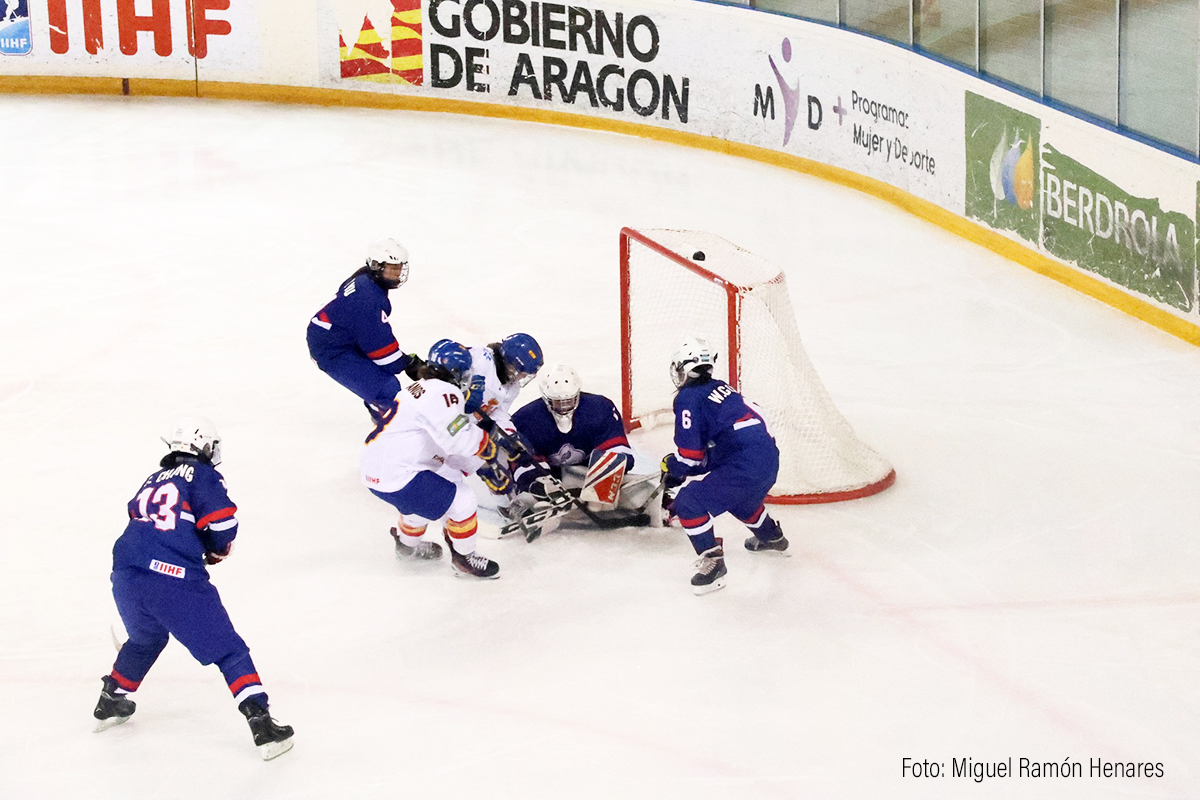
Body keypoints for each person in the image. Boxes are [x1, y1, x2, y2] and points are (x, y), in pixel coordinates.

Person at [93, 417, 294, 761]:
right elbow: (222, 522)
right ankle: (262, 725)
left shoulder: (152, 478)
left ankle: (112, 698)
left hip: (125, 572)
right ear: (204, 446)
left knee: (145, 638)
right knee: (229, 650)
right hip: (171, 577)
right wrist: (216, 548)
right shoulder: (202, 474)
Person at [360, 339, 509, 579]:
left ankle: (407, 547)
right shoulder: (444, 392)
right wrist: (486, 446)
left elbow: (444, 438)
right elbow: (456, 438)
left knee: (422, 504)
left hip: (378, 468)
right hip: (399, 472)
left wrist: (474, 455)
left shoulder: (422, 388)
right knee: (462, 501)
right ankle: (464, 559)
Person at [660, 337, 789, 595]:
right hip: (767, 458)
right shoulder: (721, 388)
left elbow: (690, 456)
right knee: (739, 498)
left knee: (689, 502)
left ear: (684, 368)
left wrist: (673, 469)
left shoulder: (688, 398)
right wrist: (685, 467)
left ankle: (713, 564)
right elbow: (715, 451)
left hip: (744, 461)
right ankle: (771, 536)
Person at [509, 364, 661, 524]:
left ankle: (658, 508)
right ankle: (527, 508)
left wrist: (603, 483)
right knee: (529, 496)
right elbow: (522, 462)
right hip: (553, 479)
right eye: (558, 402)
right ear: (546, 399)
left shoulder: (599, 409)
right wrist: (542, 483)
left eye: (568, 401)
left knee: (643, 490)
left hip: (587, 474)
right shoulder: (527, 419)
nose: (564, 407)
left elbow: (618, 451)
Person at [307, 238, 424, 422]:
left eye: (399, 268)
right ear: (377, 265)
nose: (397, 274)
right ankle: (388, 426)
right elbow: (382, 351)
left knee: (381, 378)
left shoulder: (367, 279)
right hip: (331, 349)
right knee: (387, 388)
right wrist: (407, 364)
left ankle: (376, 405)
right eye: (392, 268)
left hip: (342, 335)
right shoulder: (367, 297)